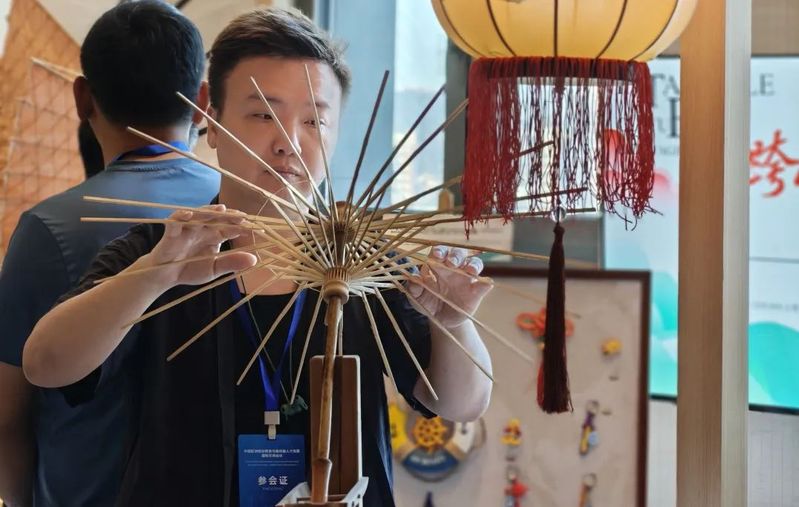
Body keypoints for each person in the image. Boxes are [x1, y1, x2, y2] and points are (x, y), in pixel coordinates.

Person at [22, 7, 492, 507]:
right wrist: (151, 278)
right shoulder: (161, 250)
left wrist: (454, 324)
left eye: (314, 121)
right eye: (264, 114)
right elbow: (45, 364)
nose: (289, 142)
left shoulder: (367, 261)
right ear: (212, 120)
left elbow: (462, 404)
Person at [0, 2, 219, 506]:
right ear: (204, 102)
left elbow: (6, 417)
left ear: (82, 97)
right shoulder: (241, 213)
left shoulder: (48, 229)